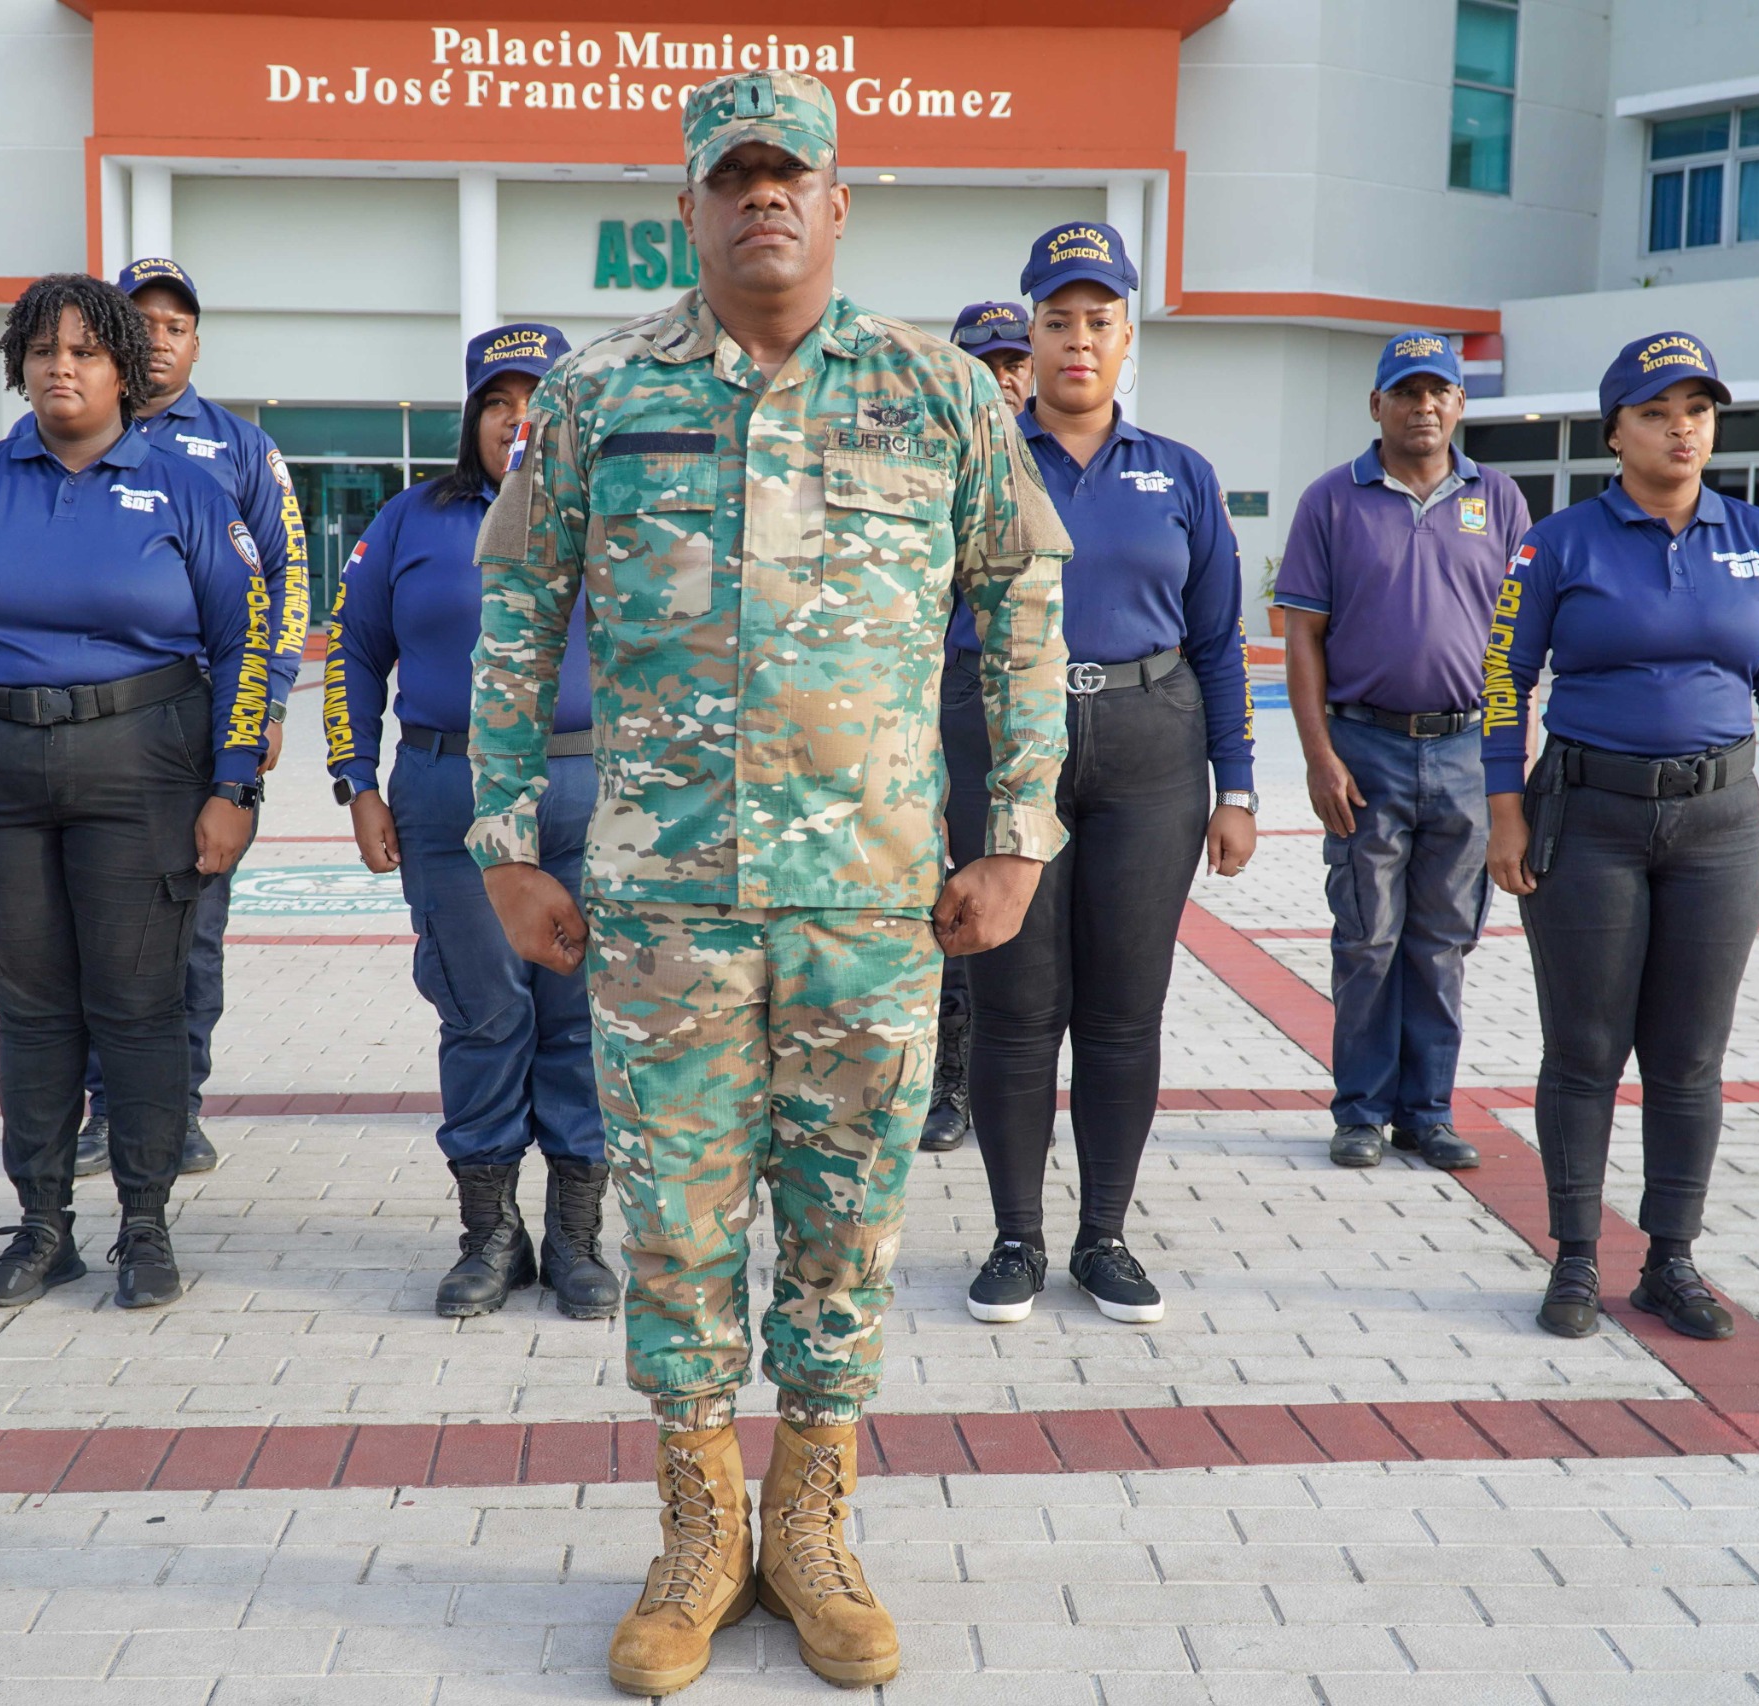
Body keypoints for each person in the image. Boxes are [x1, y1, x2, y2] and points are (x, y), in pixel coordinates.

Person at [467, 72, 1069, 1696]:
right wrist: (507, 846)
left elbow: (1021, 605)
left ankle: (808, 1529)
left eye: (789, 173)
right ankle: (695, 1531)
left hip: (873, 912)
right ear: (688, 206)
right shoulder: (597, 398)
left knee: (844, 1232)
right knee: (672, 1234)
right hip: (665, 912)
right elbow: (515, 612)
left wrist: (1018, 832)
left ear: (838, 200)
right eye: (730, 177)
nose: (761, 201)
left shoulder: (938, 390)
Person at [0, 273, 268, 1314]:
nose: (63, 367)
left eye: (87, 351)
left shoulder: (189, 490)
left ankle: (145, 1224)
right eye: (45, 350)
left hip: (142, 766)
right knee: (32, 1010)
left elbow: (245, 644)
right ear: (19, 362)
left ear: (124, 370)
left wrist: (236, 785)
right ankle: (44, 1225)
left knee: (139, 1006)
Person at [1483, 331, 1759, 1344]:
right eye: (1658, 411)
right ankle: (1575, 1259)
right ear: (1614, 430)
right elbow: (1504, 679)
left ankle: (1670, 1259)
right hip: (1586, 815)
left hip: (1719, 821)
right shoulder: (1558, 542)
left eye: (1697, 410)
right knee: (1583, 1048)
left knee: (1686, 1055)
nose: (1682, 427)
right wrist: (1505, 811)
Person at [959, 222, 1256, 1330]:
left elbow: (1220, 640)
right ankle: (1015, 1238)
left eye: (1098, 322)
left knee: (1124, 1013)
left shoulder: (1179, 474)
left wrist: (1237, 787)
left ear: (1126, 337)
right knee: (1016, 1008)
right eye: (1056, 320)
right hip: (1002, 739)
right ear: (1027, 336)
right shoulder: (980, 462)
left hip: (1150, 741)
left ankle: (1104, 1236)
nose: (1076, 341)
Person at [327, 321, 619, 1322]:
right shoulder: (410, 520)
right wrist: (355, 779)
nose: (518, 419)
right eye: (498, 402)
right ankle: (492, 1237)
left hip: (591, 795)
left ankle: (578, 1238)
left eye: (537, 400)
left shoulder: (613, 515)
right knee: (485, 1013)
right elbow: (353, 651)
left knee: (579, 1020)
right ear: (472, 418)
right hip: (450, 792)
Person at [69, 258, 311, 1180]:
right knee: (94, 925)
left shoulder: (239, 447)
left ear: (196, 342)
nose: (160, 336)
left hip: (208, 723)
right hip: (95, 727)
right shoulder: (72, 430)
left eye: (177, 324)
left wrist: (272, 698)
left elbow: (289, 575)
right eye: (144, 320)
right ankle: (103, 1110)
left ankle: (179, 1105)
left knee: (191, 929)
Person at [1276, 332, 1528, 1173]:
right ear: (1376, 405)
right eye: (1406, 392)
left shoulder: (1500, 500)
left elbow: (1519, 648)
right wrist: (1319, 757)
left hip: (1463, 751)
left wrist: (1506, 774)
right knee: (1368, 939)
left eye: (1439, 393)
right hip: (1365, 748)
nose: (1424, 407)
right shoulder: (1331, 501)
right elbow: (1302, 639)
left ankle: (1427, 1111)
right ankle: (1360, 1111)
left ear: (1459, 405)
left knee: (1443, 941)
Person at [920, 299, 1036, 1155]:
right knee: (949, 891)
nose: (1003, 377)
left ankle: (1021, 1081)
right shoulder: (932, 463)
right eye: (984, 362)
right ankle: (948, 1081)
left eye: (1014, 361)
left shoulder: (1054, 465)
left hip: (1035, 705)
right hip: (946, 698)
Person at [949, 299, 1034, 414]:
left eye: (1013, 367)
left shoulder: (1061, 430)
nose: (1001, 381)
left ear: (1033, 371)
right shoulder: (933, 430)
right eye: (984, 369)